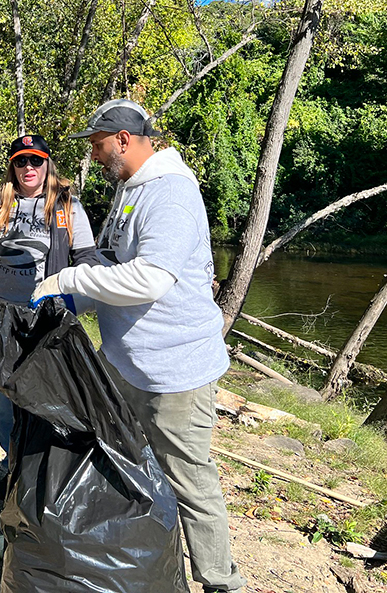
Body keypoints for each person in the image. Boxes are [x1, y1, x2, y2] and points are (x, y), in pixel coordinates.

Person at [32, 99, 245, 593]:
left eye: (99, 144)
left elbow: (151, 278)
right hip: (126, 366)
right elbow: (112, 264)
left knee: (190, 483)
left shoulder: (170, 194)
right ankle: (138, 569)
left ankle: (220, 582)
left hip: (174, 374)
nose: (95, 152)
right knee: (122, 467)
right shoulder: (131, 191)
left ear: (123, 140)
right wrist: (71, 297)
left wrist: (72, 276)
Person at [0, 135, 98, 482]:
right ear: (12, 166)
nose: (28, 168)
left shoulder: (67, 207)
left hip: (43, 321)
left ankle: (39, 475)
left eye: (35, 160)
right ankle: (12, 468)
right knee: (3, 394)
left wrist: (69, 304)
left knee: (41, 398)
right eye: (20, 161)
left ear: (47, 164)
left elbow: (89, 261)